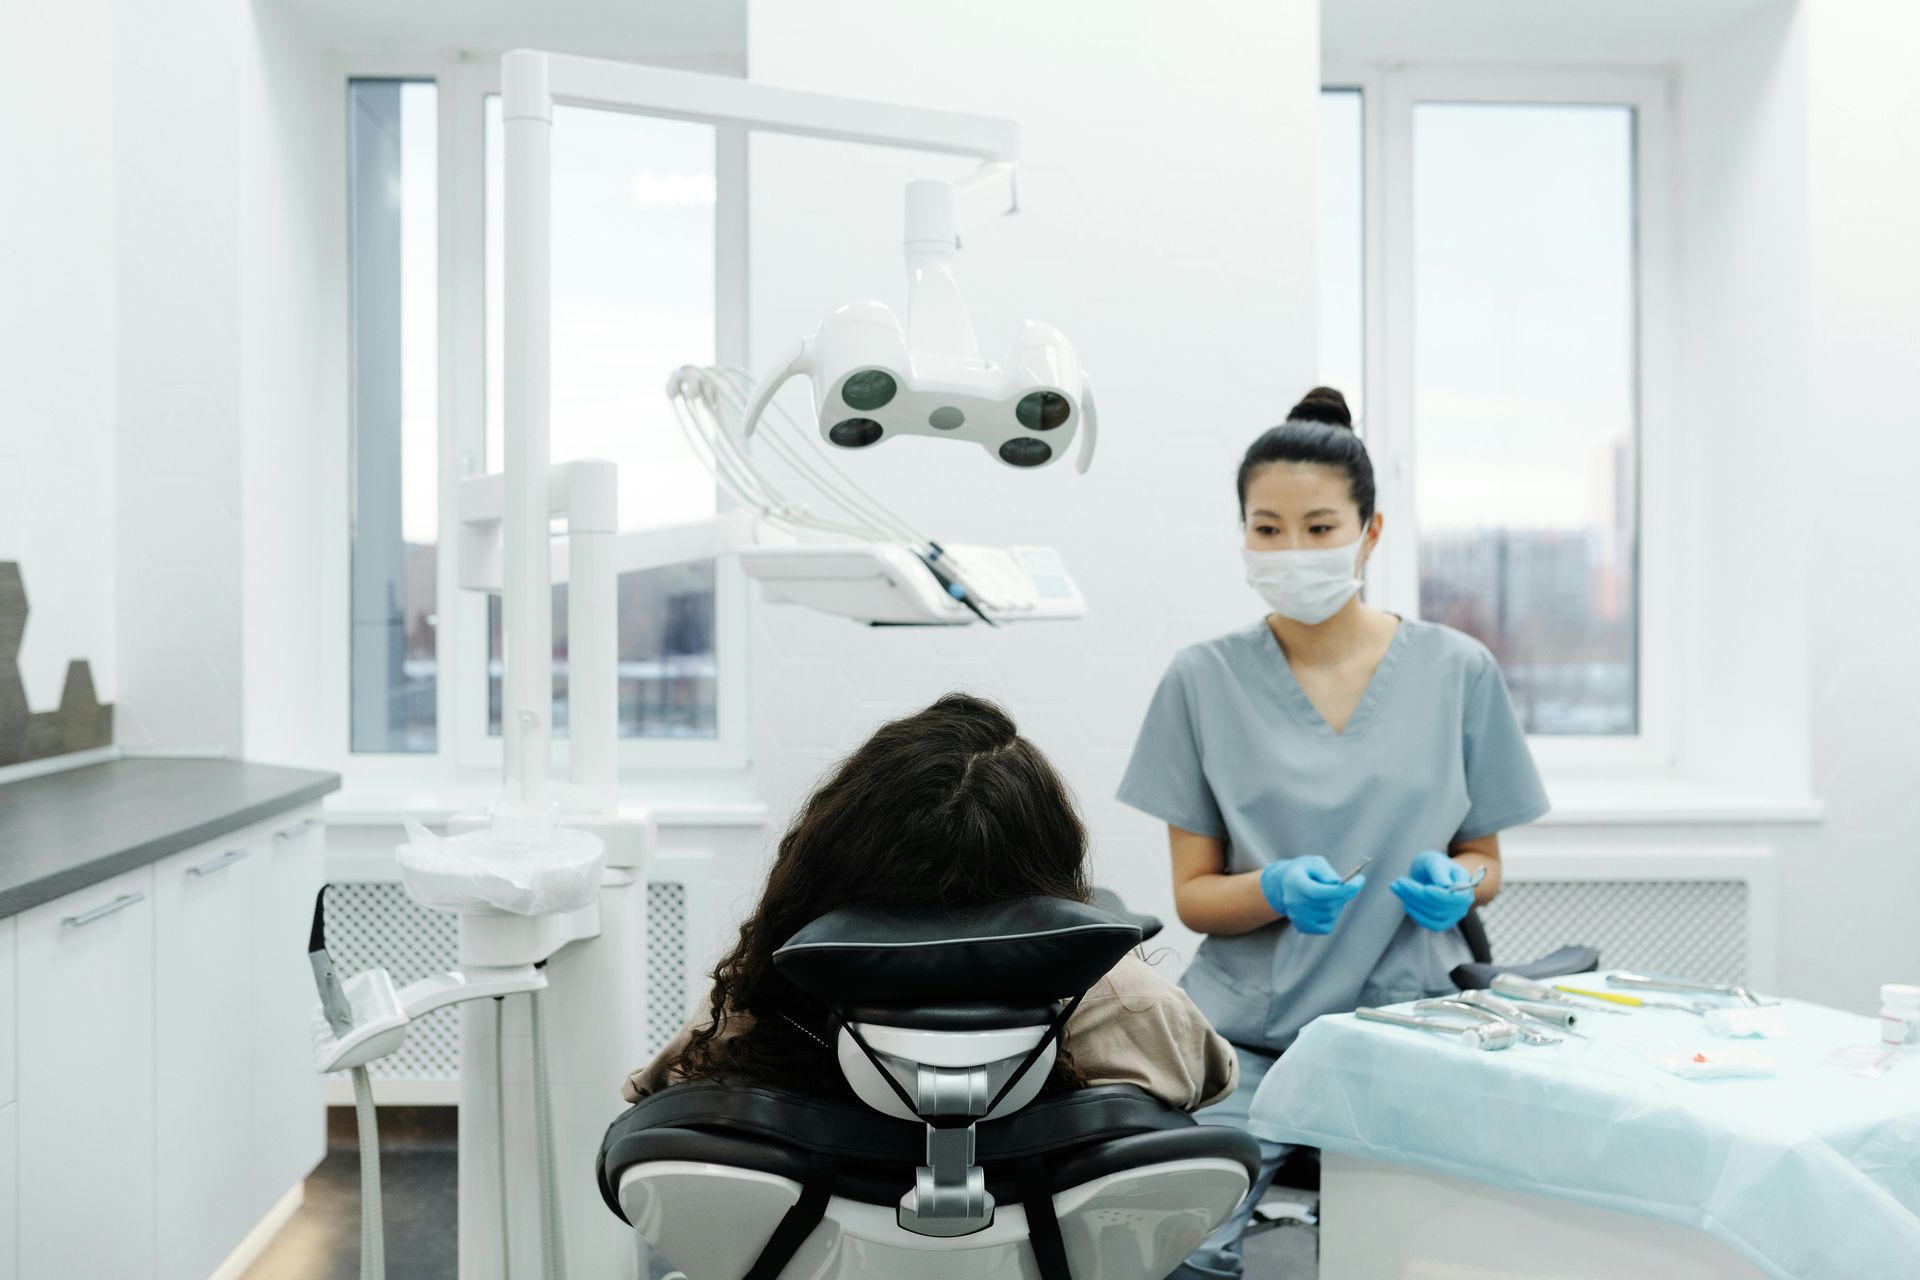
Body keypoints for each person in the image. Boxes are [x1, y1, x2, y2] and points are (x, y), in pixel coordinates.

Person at [1118, 386, 1550, 1279]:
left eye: (1319, 528)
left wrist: (1457, 880)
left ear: (1370, 533)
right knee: (1174, 1246)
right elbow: (1194, 897)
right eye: (1267, 529)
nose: (1292, 550)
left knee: (1437, 1248)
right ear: (1242, 534)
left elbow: (1488, 863)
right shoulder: (1201, 681)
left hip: (1413, 1027)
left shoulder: (1456, 671)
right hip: (1250, 1037)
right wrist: (1269, 889)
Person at [624, 691, 1238, 1114]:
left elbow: (655, 1108)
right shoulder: (1129, 1004)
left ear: (830, 857)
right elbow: (1214, 1082)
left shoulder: (761, 1000)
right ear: (1048, 862)